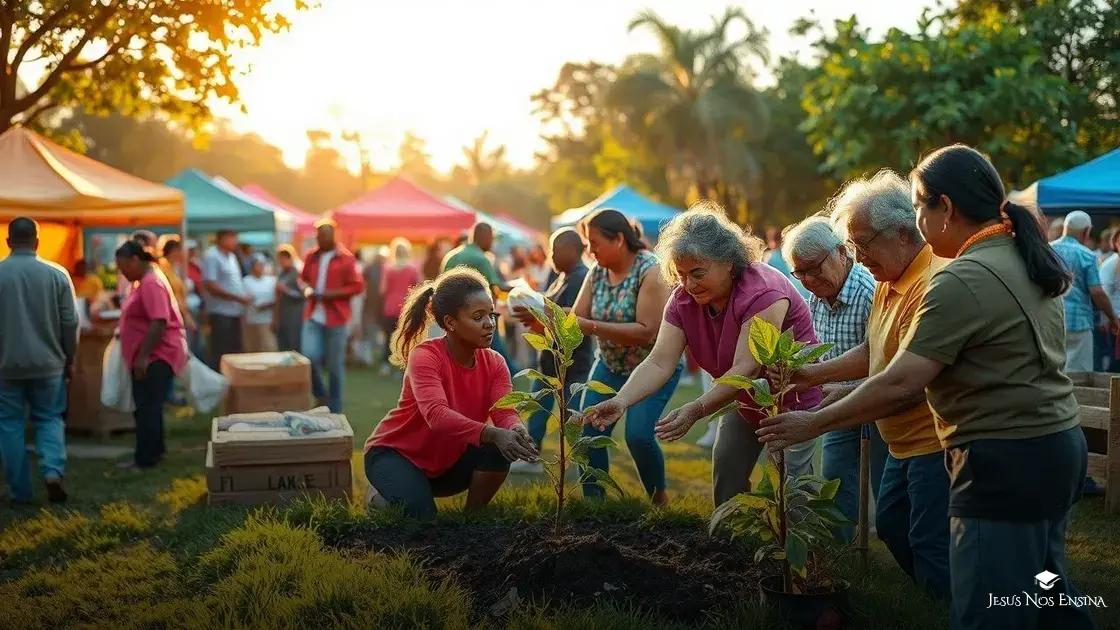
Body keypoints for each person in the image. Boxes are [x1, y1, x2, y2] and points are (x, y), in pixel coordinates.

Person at [760, 144, 1095, 630]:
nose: (915, 222)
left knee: (987, 609)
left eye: (918, 208)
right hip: (1052, 446)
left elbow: (900, 382)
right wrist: (816, 381)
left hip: (1004, 458)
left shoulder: (961, 277)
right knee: (1044, 590)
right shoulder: (1015, 255)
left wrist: (811, 420)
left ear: (946, 209)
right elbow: (887, 357)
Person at [767, 170, 951, 599]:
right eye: (854, 245)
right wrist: (809, 374)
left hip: (929, 436)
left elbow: (899, 381)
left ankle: (948, 607)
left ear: (904, 233)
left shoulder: (926, 285)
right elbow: (874, 352)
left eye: (863, 244)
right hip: (892, 429)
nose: (859, 255)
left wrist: (817, 418)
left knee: (927, 539)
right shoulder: (891, 281)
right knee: (889, 523)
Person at [580, 204, 822, 507]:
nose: (688, 284)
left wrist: (696, 409)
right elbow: (659, 361)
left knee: (792, 491)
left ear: (729, 263)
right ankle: (731, 548)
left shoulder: (762, 292)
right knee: (727, 471)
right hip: (742, 398)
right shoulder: (684, 299)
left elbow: (746, 367)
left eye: (697, 273)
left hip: (789, 399)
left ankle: (804, 553)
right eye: (681, 275)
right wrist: (621, 400)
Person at [363, 267, 537, 519]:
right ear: (450, 323)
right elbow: (436, 416)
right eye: (478, 317)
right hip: (396, 456)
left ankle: (472, 518)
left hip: (446, 462)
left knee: (501, 447)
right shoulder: (425, 356)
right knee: (422, 520)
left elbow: (504, 411)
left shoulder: (495, 362)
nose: (489, 324)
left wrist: (515, 429)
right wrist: (493, 433)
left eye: (491, 315)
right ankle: (378, 498)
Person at [782, 216, 886, 542]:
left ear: (841, 252)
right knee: (835, 481)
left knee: (888, 490)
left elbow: (888, 365)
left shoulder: (870, 293)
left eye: (815, 268)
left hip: (880, 402)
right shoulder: (815, 297)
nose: (809, 279)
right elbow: (819, 352)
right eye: (801, 272)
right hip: (837, 403)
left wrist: (843, 388)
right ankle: (838, 556)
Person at [565, 209, 679, 505]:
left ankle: (659, 499)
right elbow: (575, 319)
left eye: (594, 242)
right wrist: (543, 317)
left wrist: (588, 326)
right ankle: (595, 504)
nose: (589, 251)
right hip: (609, 364)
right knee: (587, 430)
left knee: (639, 436)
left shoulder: (650, 270)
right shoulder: (597, 272)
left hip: (653, 364)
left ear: (618, 239)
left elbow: (646, 332)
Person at [0, 217, 76, 504]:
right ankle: (53, 471)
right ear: (37, 241)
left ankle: (20, 491)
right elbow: (70, 322)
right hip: (49, 364)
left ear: (8, 242)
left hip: (6, 365)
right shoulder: (57, 274)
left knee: (9, 424)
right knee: (49, 418)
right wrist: (70, 357)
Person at [509, 228, 594, 474]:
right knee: (537, 412)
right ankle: (530, 457)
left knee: (573, 420)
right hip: (549, 362)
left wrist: (538, 314)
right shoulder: (560, 276)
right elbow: (547, 307)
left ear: (572, 250)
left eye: (555, 250)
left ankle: (582, 468)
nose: (550, 255)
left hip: (571, 363)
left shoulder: (581, 277)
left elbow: (573, 316)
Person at [115, 240, 188, 470]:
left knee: (147, 407)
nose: (122, 272)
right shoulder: (142, 281)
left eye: (123, 266)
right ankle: (154, 452)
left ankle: (145, 459)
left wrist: (143, 356)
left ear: (135, 260)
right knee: (150, 407)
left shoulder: (150, 283)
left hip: (157, 354)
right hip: (152, 354)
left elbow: (159, 321)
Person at [301, 220, 364, 413]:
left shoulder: (346, 258)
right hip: (314, 314)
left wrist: (331, 294)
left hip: (336, 317)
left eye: (325, 236)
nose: (321, 239)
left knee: (335, 366)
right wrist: (307, 290)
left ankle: (335, 409)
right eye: (319, 236)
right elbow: (302, 279)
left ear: (333, 236)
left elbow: (357, 286)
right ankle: (321, 395)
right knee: (309, 357)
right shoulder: (311, 256)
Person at [1051, 211, 1120, 372]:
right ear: (1086, 231)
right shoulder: (1087, 255)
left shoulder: (1047, 250)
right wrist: (1113, 318)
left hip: (1050, 321)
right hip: (1079, 324)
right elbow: (1097, 292)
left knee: (1054, 371)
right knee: (1079, 374)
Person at [443, 222, 516, 371]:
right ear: (484, 237)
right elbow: (497, 286)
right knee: (494, 344)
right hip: (478, 315)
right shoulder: (481, 259)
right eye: (491, 238)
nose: (492, 243)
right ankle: (511, 371)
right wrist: (520, 288)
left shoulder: (451, 256)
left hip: (452, 314)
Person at [202, 229, 250, 368]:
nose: (235, 242)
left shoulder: (232, 256)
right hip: (220, 312)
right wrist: (237, 298)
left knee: (234, 349)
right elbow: (210, 285)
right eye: (232, 238)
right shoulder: (212, 256)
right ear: (222, 239)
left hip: (235, 311)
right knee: (221, 350)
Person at [380, 237, 422, 375]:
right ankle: (401, 367)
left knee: (388, 337)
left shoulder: (388, 269)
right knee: (404, 338)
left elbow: (383, 289)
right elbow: (418, 288)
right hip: (405, 307)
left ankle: (385, 365)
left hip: (389, 307)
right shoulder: (412, 269)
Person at [242, 254, 278, 353]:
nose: (261, 267)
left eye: (262, 264)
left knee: (269, 348)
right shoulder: (246, 281)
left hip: (266, 321)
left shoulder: (271, 281)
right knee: (252, 349)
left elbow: (276, 301)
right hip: (251, 321)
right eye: (258, 264)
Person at [273, 245, 306, 353]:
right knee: (282, 342)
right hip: (283, 313)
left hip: (295, 313)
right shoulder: (282, 273)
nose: (281, 261)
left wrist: (286, 290)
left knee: (294, 342)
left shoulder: (298, 273)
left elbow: (303, 295)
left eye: (283, 258)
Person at [1097, 229, 1120, 371]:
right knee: (1116, 361)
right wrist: (1107, 319)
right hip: (1116, 322)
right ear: (1115, 243)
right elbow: (1105, 295)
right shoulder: (1109, 265)